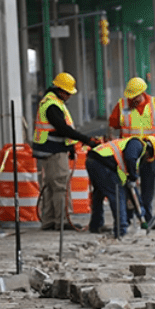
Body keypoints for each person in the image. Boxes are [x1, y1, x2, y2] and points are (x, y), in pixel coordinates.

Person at [31, 72, 98, 231]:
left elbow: (59, 130)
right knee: (60, 186)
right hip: (53, 151)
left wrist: (69, 148)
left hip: (50, 150)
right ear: (61, 90)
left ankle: (49, 221)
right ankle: (62, 220)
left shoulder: (52, 102)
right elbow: (62, 129)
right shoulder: (52, 105)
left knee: (51, 186)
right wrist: (86, 139)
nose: (69, 96)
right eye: (68, 93)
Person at [109, 77, 155, 226]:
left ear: (142, 93)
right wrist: (114, 147)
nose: (132, 99)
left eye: (135, 96)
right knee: (127, 185)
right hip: (128, 155)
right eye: (130, 96)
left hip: (148, 154)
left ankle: (146, 215)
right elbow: (112, 126)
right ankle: (127, 217)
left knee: (148, 187)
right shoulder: (122, 105)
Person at [86, 136, 155, 236]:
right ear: (149, 151)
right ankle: (121, 229)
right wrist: (133, 176)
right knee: (118, 195)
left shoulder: (127, 146)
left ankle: (96, 225)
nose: (145, 160)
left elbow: (130, 186)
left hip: (94, 160)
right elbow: (130, 158)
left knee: (99, 193)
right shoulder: (138, 144)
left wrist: (131, 178)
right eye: (147, 158)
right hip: (102, 163)